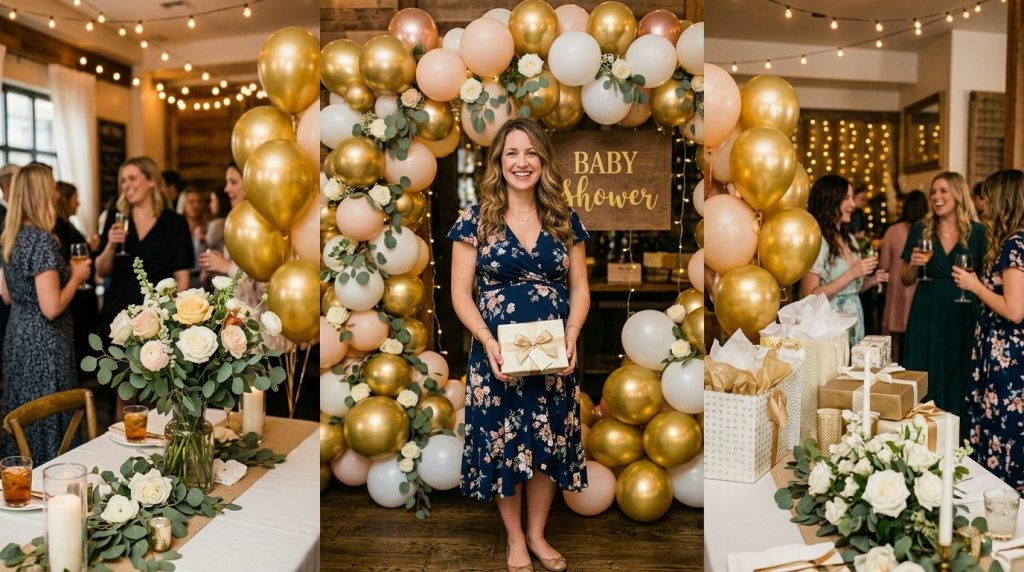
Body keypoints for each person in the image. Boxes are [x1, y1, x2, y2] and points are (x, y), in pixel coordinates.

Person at [448, 118, 589, 572]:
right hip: (497, 356)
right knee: (505, 442)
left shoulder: (564, 218)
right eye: (512, 153)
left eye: (531, 153)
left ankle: (537, 535)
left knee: (546, 441)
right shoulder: (474, 219)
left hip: (553, 354)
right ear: (498, 161)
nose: (521, 162)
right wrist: (487, 341)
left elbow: (581, 289)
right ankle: (513, 539)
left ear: (543, 161)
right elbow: (458, 293)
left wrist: (571, 336)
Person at [0, 165, 91, 461]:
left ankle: (24, 478)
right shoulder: (41, 241)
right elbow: (51, 307)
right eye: (51, 187)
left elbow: (6, 294)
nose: (56, 193)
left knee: (25, 413)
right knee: (50, 413)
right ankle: (53, 478)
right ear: (41, 193)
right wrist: (76, 277)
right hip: (45, 343)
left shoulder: (11, 238)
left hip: (18, 337)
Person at [953, 170, 1024, 493]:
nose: (983, 205)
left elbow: (1014, 309)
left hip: (1005, 358)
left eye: (989, 198)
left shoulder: (1014, 245)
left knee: (1002, 430)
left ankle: (1002, 498)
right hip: (997, 354)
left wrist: (975, 286)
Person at [900, 171, 986, 423]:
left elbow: (986, 276)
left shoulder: (978, 233)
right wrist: (914, 266)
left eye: (943, 191)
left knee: (960, 369)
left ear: (958, 194)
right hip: (926, 311)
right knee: (923, 369)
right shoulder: (921, 229)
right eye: (933, 192)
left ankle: (958, 439)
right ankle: (922, 433)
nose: (936, 197)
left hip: (964, 309)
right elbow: (905, 278)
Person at [96, 157, 193, 337]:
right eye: (123, 181)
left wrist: (178, 318)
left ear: (151, 181)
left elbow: (182, 276)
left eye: (132, 178)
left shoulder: (174, 223)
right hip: (119, 312)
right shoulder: (115, 218)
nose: (126, 185)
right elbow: (101, 270)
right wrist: (110, 245)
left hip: (158, 313)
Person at [801, 174, 888, 345]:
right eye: (847, 198)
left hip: (855, 323)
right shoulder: (817, 241)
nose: (853, 204)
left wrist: (869, 281)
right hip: (830, 328)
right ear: (830, 199)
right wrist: (854, 272)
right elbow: (810, 296)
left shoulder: (849, 238)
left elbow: (850, 289)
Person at [54, 182, 100, 380]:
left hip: (80, 292)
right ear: (65, 200)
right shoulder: (59, 227)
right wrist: (89, 248)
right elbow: (66, 258)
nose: (79, 203)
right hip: (75, 296)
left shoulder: (67, 224)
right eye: (75, 198)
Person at [879, 190, 928, 361]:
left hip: (897, 284)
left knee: (895, 337)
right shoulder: (928, 231)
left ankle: (893, 366)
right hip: (919, 283)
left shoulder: (892, 231)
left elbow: (883, 264)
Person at [178, 187, 218, 289]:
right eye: (191, 202)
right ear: (183, 204)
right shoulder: (176, 229)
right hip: (181, 277)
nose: (196, 205)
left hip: (204, 278)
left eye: (199, 202)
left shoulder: (209, 227)